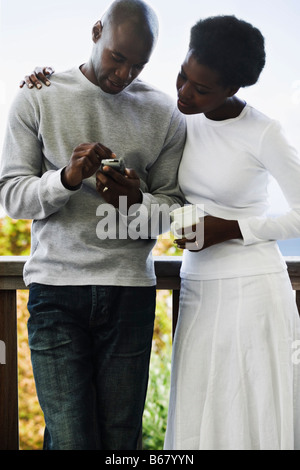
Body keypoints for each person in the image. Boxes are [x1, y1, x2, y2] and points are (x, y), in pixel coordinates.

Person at [0, 0, 186, 450]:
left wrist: (134, 200)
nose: (124, 75)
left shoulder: (165, 113)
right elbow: (11, 197)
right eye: (117, 58)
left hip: (130, 295)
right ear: (96, 31)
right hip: (56, 292)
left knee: (121, 443)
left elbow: (177, 208)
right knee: (71, 439)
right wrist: (66, 179)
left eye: (137, 66)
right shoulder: (37, 94)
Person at [163, 15, 300, 450]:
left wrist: (232, 229)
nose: (185, 92)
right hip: (197, 287)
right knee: (198, 421)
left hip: (252, 292)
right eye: (183, 76)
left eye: (200, 89)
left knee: (246, 417)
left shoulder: (264, 132)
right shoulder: (181, 118)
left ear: (232, 89)